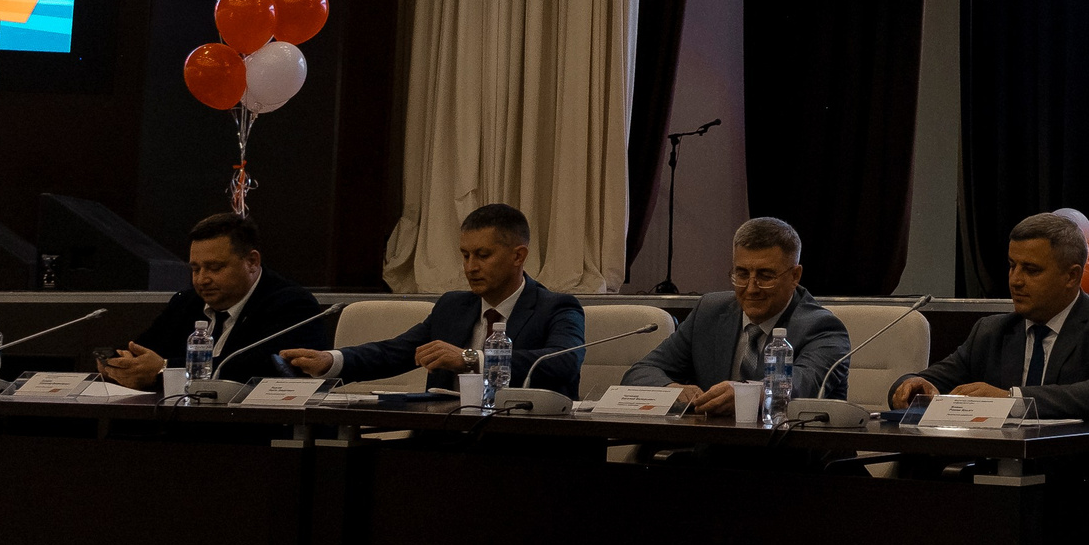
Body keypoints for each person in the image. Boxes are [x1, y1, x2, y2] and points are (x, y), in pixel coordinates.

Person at [280, 203, 586, 396]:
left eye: (483, 255)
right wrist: (330, 360)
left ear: (518, 256)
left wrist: (469, 359)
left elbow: (562, 363)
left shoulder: (556, 307)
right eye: (465, 255)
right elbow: (394, 352)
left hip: (523, 444)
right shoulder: (453, 307)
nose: (470, 267)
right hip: (443, 437)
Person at [891, 212, 1089, 421]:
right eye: (1012, 266)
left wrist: (1012, 400)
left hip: (1082, 465)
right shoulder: (991, 331)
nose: (1015, 280)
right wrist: (911, 386)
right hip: (1002, 463)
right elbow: (924, 380)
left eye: (1031, 270)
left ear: (1071, 276)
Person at [621, 217, 850, 413]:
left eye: (765, 276)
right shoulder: (709, 312)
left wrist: (745, 394)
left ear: (795, 276)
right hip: (709, 445)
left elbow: (802, 385)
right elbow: (640, 373)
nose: (751, 288)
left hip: (783, 449)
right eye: (742, 274)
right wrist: (671, 389)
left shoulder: (823, 328)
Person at [98, 213, 327, 388]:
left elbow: (264, 368)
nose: (202, 279)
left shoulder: (291, 304)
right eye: (195, 269)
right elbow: (145, 351)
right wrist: (122, 364)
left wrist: (166, 369)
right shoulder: (186, 302)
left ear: (252, 262)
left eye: (215, 268)